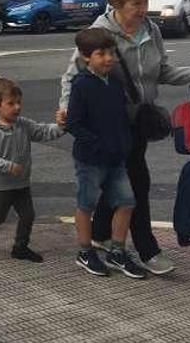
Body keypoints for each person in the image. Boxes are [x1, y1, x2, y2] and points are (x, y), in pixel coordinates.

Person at [59, 0, 190, 276]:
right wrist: (64, 108)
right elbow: (73, 74)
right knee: (138, 182)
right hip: (110, 121)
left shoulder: (150, 30)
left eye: (146, 2)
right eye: (137, 3)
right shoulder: (100, 32)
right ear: (119, 3)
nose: (143, 9)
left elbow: (162, 71)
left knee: (117, 179)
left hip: (139, 121)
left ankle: (99, 234)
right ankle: (147, 250)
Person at [66, 28, 145, 279]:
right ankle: (85, 251)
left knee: (126, 202)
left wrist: (125, 142)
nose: (109, 58)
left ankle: (117, 251)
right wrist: (97, 143)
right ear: (86, 57)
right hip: (90, 159)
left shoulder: (115, 83)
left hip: (117, 158)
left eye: (111, 53)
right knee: (86, 204)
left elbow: (121, 117)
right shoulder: (81, 85)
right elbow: (74, 123)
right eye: (101, 54)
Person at [0, 78, 64, 261]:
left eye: (19, 103)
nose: (17, 107)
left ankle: (20, 247)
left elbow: (42, 131)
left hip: (22, 182)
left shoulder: (23, 124)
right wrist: (8, 166)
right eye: (11, 104)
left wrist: (62, 127)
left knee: (28, 215)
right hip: (1, 186)